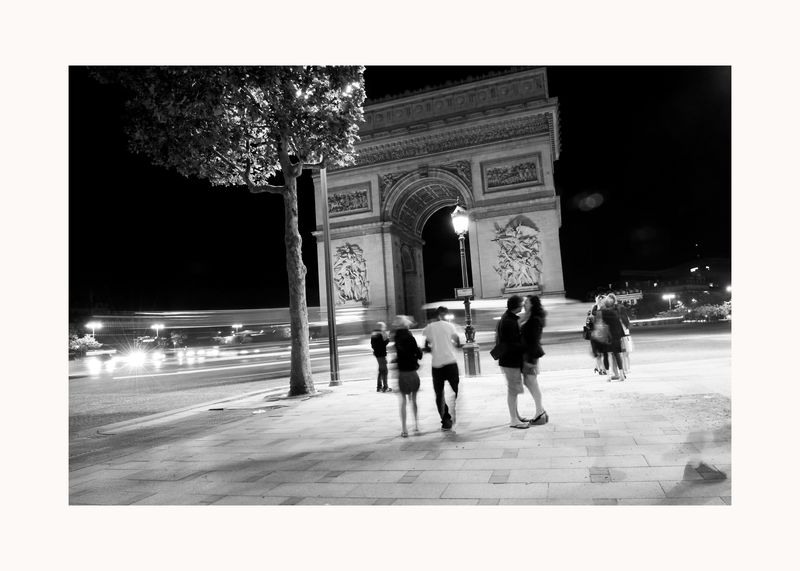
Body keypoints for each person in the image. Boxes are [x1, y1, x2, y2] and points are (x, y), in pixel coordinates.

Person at [495, 295, 532, 429]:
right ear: (516, 306)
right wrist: (526, 346)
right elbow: (512, 343)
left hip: (509, 359)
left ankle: (516, 416)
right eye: (521, 304)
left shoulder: (508, 318)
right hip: (510, 360)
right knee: (513, 391)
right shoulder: (509, 321)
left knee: (514, 390)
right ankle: (513, 420)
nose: (522, 306)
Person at [422, 306, 461, 431]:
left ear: (436, 315)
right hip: (450, 362)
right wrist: (454, 345)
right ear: (445, 314)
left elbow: (427, 344)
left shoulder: (429, 327)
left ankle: (446, 420)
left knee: (439, 394)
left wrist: (431, 349)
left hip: (437, 364)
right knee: (456, 389)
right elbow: (457, 340)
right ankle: (456, 409)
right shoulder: (450, 326)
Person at [519, 295, 548, 425]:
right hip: (528, 354)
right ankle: (541, 410)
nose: (524, 304)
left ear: (533, 304)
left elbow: (534, 340)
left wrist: (530, 360)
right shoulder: (530, 317)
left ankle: (539, 412)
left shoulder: (535, 319)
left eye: (527, 302)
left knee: (531, 382)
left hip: (530, 355)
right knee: (529, 382)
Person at [391, 315, 422, 437]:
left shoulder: (396, 338)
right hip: (412, 372)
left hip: (402, 373)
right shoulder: (410, 337)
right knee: (413, 400)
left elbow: (395, 357)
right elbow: (418, 354)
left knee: (402, 401)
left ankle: (404, 429)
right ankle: (416, 426)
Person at [600, 294, 627, 381]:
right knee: (617, 354)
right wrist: (621, 337)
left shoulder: (601, 312)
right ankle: (621, 374)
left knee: (606, 355)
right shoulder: (615, 312)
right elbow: (619, 325)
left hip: (605, 336)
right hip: (615, 336)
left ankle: (608, 376)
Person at [370, 321, 391, 392]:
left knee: (381, 370)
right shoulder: (380, 334)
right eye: (384, 327)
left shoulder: (374, 334)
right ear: (381, 327)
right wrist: (388, 338)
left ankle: (379, 387)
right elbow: (383, 344)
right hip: (381, 354)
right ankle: (385, 387)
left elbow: (373, 345)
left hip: (377, 354)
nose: (385, 328)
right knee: (384, 371)